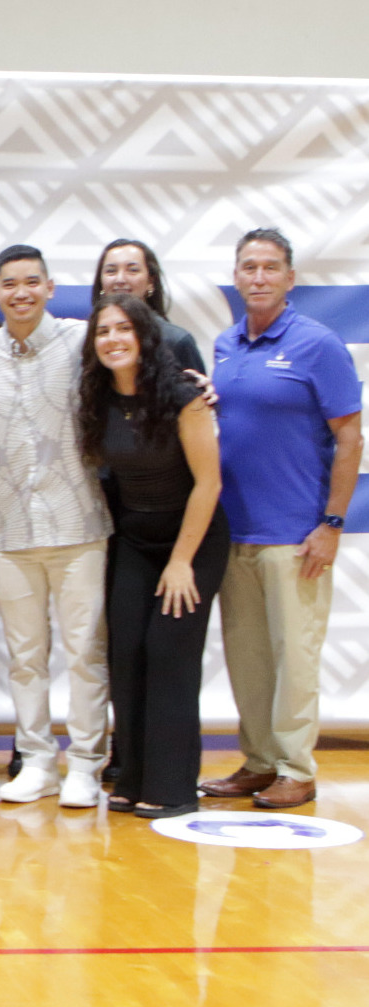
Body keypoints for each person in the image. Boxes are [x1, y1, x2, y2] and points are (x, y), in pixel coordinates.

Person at [200, 229, 362, 810]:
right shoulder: (223, 346)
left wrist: (332, 524)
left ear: (290, 278)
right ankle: (260, 762)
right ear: (238, 277)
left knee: (295, 656)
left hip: (296, 536)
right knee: (247, 656)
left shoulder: (318, 344)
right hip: (233, 530)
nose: (260, 277)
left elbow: (350, 438)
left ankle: (297, 768)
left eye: (271, 267)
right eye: (250, 267)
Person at [0, 245, 112, 807]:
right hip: (11, 527)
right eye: (10, 284)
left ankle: (88, 764)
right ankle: (39, 760)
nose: (21, 293)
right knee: (24, 655)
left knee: (85, 652)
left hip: (80, 523)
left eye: (32, 282)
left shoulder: (81, 341)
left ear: (49, 287)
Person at [77, 294, 226, 817]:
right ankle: (133, 777)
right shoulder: (96, 398)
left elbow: (208, 483)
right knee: (127, 656)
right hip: (136, 542)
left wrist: (182, 561)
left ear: (143, 336)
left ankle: (173, 787)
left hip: (193, 540)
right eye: (102, 332)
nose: (113, 339)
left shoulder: (182, 395)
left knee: (168, 653)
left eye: (123, 329)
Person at [90, 239, 205, 373]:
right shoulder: (89, 340)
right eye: (111, 271)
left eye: (132, 270)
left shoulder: (175, 340)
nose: (120, 279)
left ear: (151, 281)